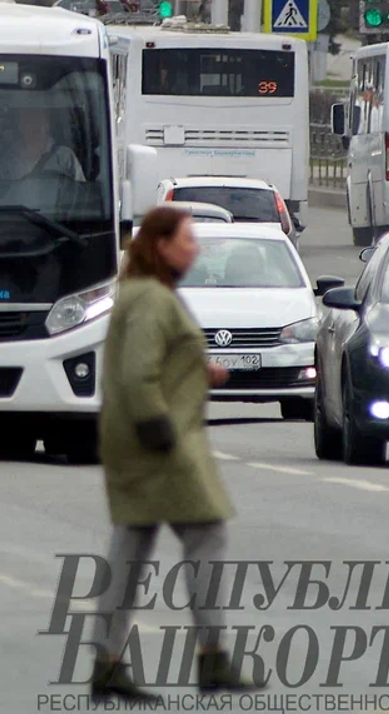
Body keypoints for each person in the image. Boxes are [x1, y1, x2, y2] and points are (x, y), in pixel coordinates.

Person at [89, 206, 259, 701]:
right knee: (206, 534)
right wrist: (159, 428)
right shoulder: (151, 299)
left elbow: (152, 361)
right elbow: (139, 373)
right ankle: (212, 658)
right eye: (187, 239)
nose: (195, 248)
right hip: (159, 443)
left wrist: (198, 370)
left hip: (140, 440)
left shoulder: (146, 294)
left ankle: (107, 663)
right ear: (161, 245)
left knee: (130, 548)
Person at [0, 106, 84, 185]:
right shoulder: (9, 161)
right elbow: (1, 196)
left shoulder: (65, 156)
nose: (34, 126)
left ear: (47, 125)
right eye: (29, 121)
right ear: (21, 126)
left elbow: (81, 190)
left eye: (39, 120)